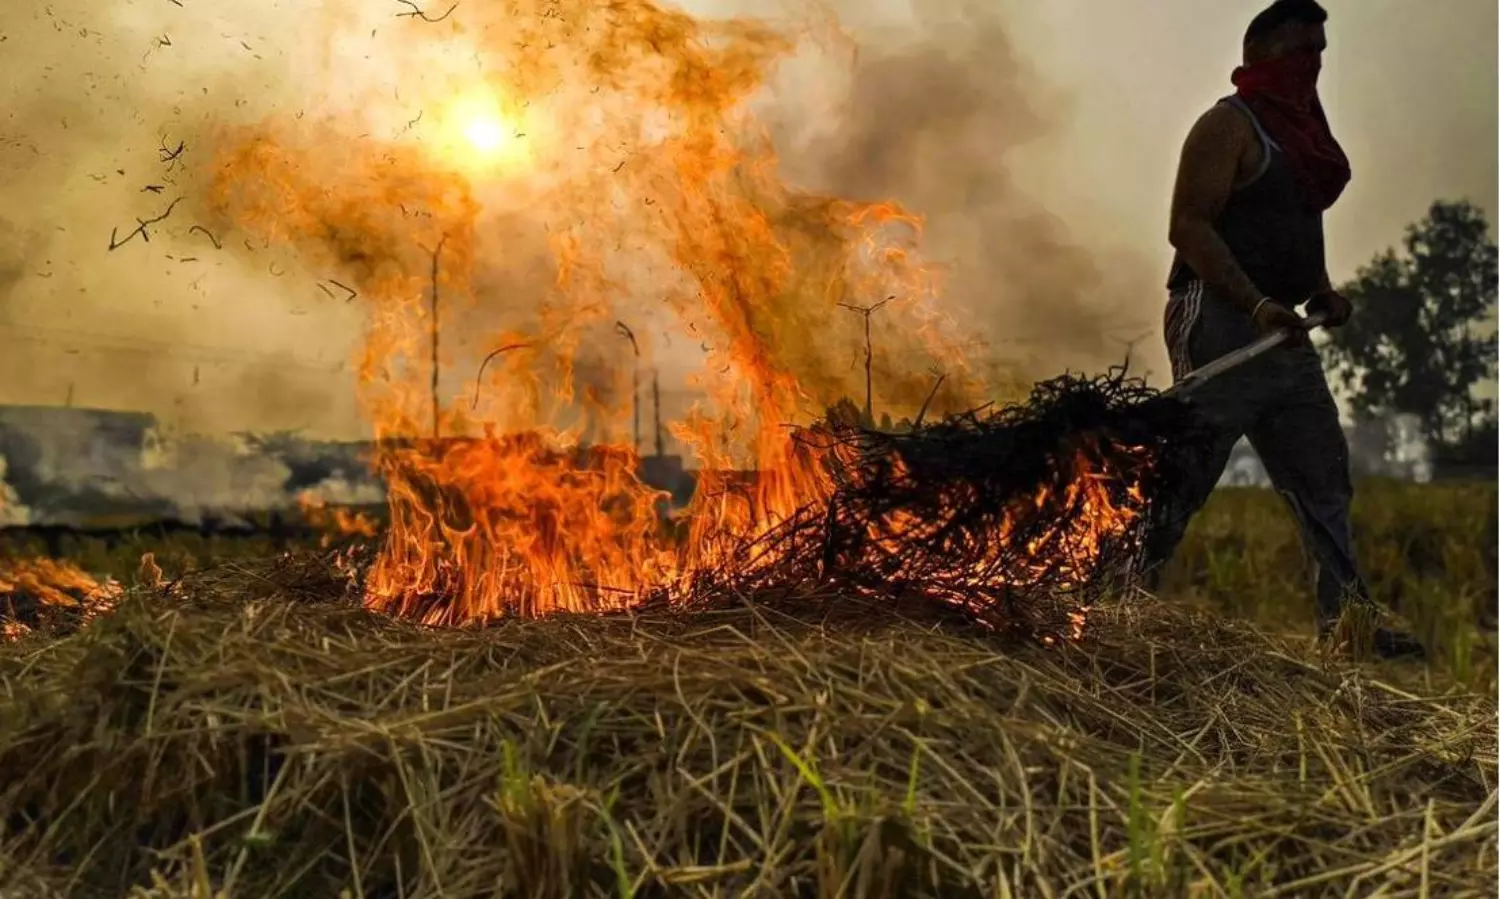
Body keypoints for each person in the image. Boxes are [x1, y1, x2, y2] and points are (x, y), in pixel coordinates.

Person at [1144, 0, 1423, 658]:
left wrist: (1319, 290)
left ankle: (1348, 621)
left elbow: (1297, 230)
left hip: (1284, 337)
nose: (1315, 65)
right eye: (1304, 52)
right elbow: (1188, 227)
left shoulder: (1304, 143)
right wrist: (1254, 301)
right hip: (1217, 321)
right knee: (1185, 474)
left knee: (1323, 475)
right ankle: (1110, 601)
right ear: (1265, 56)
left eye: (1321, 53)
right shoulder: (1227, 126)